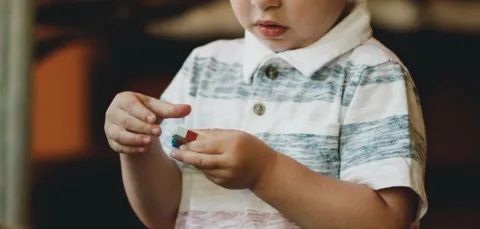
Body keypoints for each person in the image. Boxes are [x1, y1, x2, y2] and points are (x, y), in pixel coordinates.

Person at [104, 0, 427, 228]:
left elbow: (386, 221)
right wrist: (138, 145)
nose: (263, 2)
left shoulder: (373, 74)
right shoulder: (205, 65)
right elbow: (168, 215)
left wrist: (266, 172)